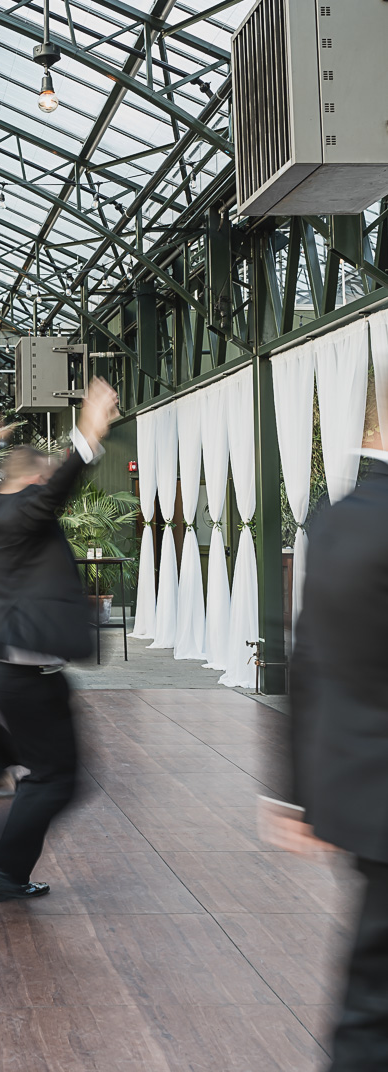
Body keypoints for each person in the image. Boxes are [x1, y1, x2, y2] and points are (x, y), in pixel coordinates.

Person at [258, 397, 388, 1071]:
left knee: (371, 992)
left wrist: (296, 792)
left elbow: (306, 660)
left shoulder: (335, 518)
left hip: (359, 790)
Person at [0, 380, 119, 902]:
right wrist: (89, 431)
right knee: (59, 777)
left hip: (17, 665)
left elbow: (1, 487)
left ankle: (5, 873)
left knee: (49, 775)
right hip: (26, 668)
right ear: (35, 479)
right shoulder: (28, 510)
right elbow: (55, 489)